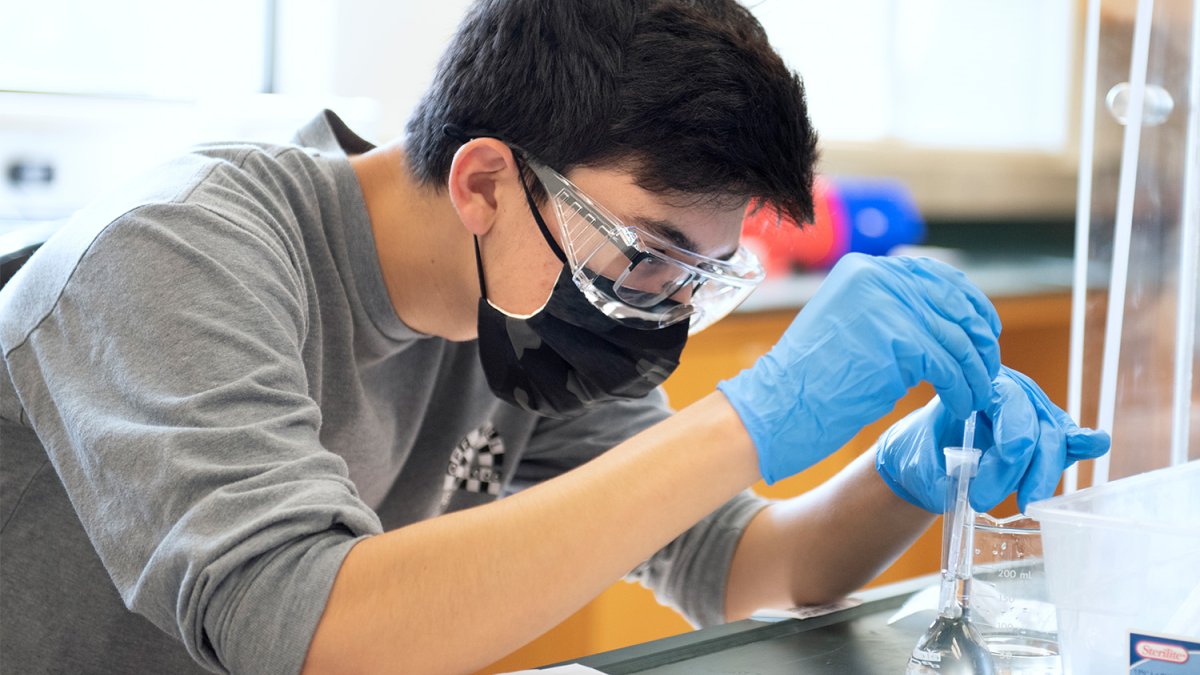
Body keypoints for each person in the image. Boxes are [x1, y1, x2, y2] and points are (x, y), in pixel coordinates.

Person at [0, 1, 1108, 673]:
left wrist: (905, 477)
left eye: (700, 277)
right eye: (648, 254)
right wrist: (750, 417)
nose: (661, 310)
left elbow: (732, 569)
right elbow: (310, 633)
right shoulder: (177, 253)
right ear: (485, 180)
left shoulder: (526, 312)